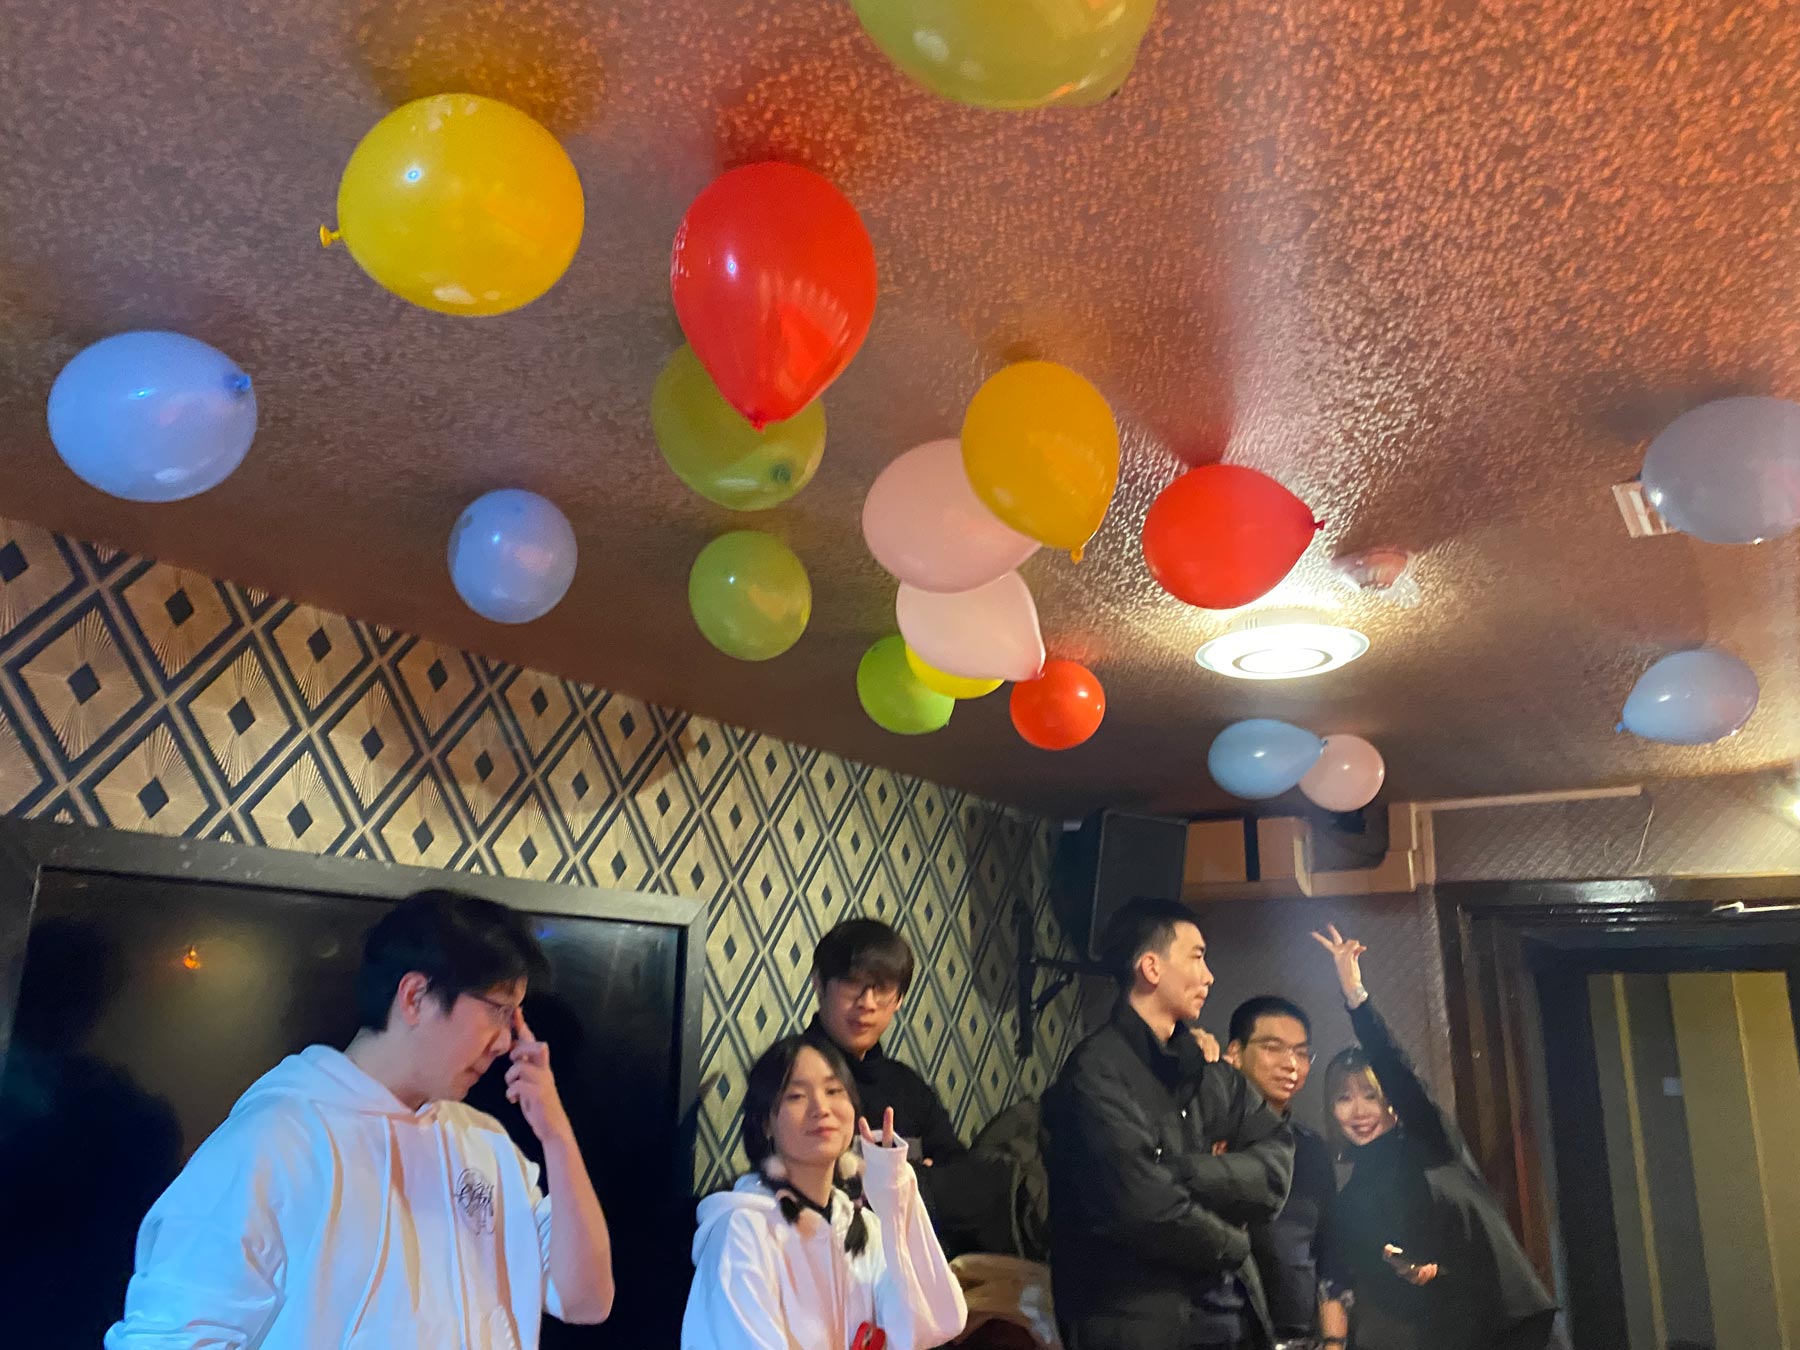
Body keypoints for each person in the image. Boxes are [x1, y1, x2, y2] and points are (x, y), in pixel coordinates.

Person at [106, 890, 615, 1348]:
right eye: (499, 1011)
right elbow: (167, 1336)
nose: (507, 1041)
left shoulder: (483, 1141)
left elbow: (586, 1301)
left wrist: (557, 1136)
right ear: (415, 997)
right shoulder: (277, 1138)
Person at [1043, 897, 1295, 1350]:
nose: (1208, 975)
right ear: (1151, 968)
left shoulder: (1210, 1071)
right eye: (1196, 957)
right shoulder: (1095, 1073)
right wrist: (1236, 1245)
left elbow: (1275, 1168)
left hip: (1233, 1316)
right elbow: (1143, 1209)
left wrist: (1185, 1171)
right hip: (1136, 1322)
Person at [1311, 926, 1560, 1350]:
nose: (1358, 1111)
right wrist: (1402, 1267)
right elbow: (1357, 1275)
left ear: (1393, 1104)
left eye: (1371, 1096)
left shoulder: (1431, 1144)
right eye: (1343, 1098)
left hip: (1506, 1326)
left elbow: (1398, 1071)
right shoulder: (1352, 1195)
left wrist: (1355, 996)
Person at [682, 1034, 968, 1349]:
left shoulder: (862, 1227)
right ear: (765, 1123)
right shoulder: (743, 1229)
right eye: (796, 1096)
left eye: (833, 1091)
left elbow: (939, 1322)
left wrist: (895, 1194)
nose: (821, 1108)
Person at [1223, 996, 1350, 1350]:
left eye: (1301, 1052)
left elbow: (1329, 1252)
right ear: (1235, 1053)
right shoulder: (1213, 1135)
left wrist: (1334, 1342)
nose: (1290, 1064)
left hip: (1299, 1338)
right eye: (1272, 1048)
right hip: (1226, 1334)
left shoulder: (1311, 1148)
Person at [805, 917, 963, 1165]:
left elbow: (958, 1169)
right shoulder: (788, 1074)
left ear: (899, 999)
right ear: (818, 982)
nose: (867, 1003)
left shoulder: (908, 1088)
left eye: (882, 989)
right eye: (852, 983)